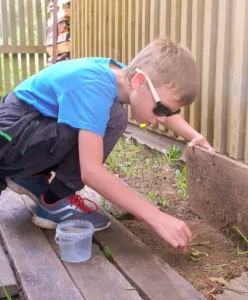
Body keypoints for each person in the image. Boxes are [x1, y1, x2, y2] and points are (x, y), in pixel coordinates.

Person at [0, 37, 213, 252]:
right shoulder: (95, 87)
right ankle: (53, 202)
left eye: (168, 113)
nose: (162, 118)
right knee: (109, 116)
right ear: (139, 81)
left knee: (114, 115)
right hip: (10, 138)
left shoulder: (122, 76)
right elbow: (90, 171)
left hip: (26, 130)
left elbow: (165, 109)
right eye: (161, 109)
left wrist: (195, 136)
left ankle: (30, 176)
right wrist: (156, 217)